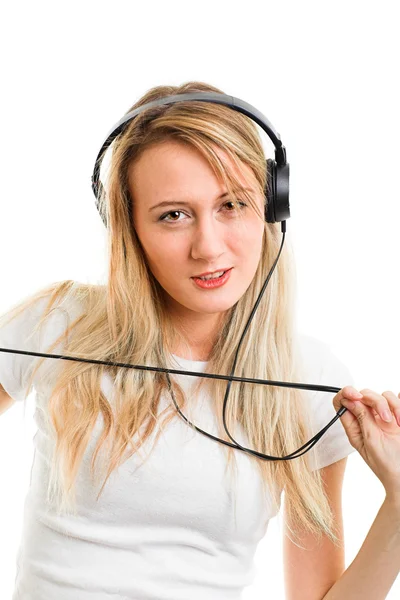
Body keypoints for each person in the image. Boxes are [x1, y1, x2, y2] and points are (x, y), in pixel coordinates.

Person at [0, 81, 399, 600]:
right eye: (174, 215)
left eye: (232, 204)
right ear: (130, 229)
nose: (209, 248)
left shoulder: (310, 381)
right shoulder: (57, 323)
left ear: (270, 206)